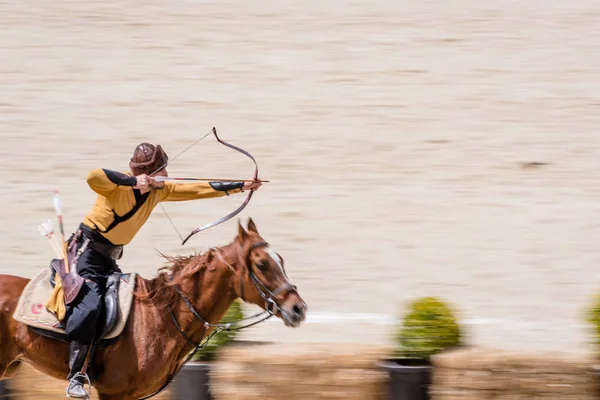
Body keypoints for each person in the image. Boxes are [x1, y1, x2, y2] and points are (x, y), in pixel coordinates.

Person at [62, 142, 261, 398]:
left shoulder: (159, 191)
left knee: (126, 308)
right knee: (90, 306)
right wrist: (133, 182)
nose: (167, 175)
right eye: (163, 170)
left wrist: (242, 186)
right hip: (84, 255)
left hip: (109, 260)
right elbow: (93, 175)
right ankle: (76, 375)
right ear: (147, 172)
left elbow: (196, 188)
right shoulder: (114, 189)